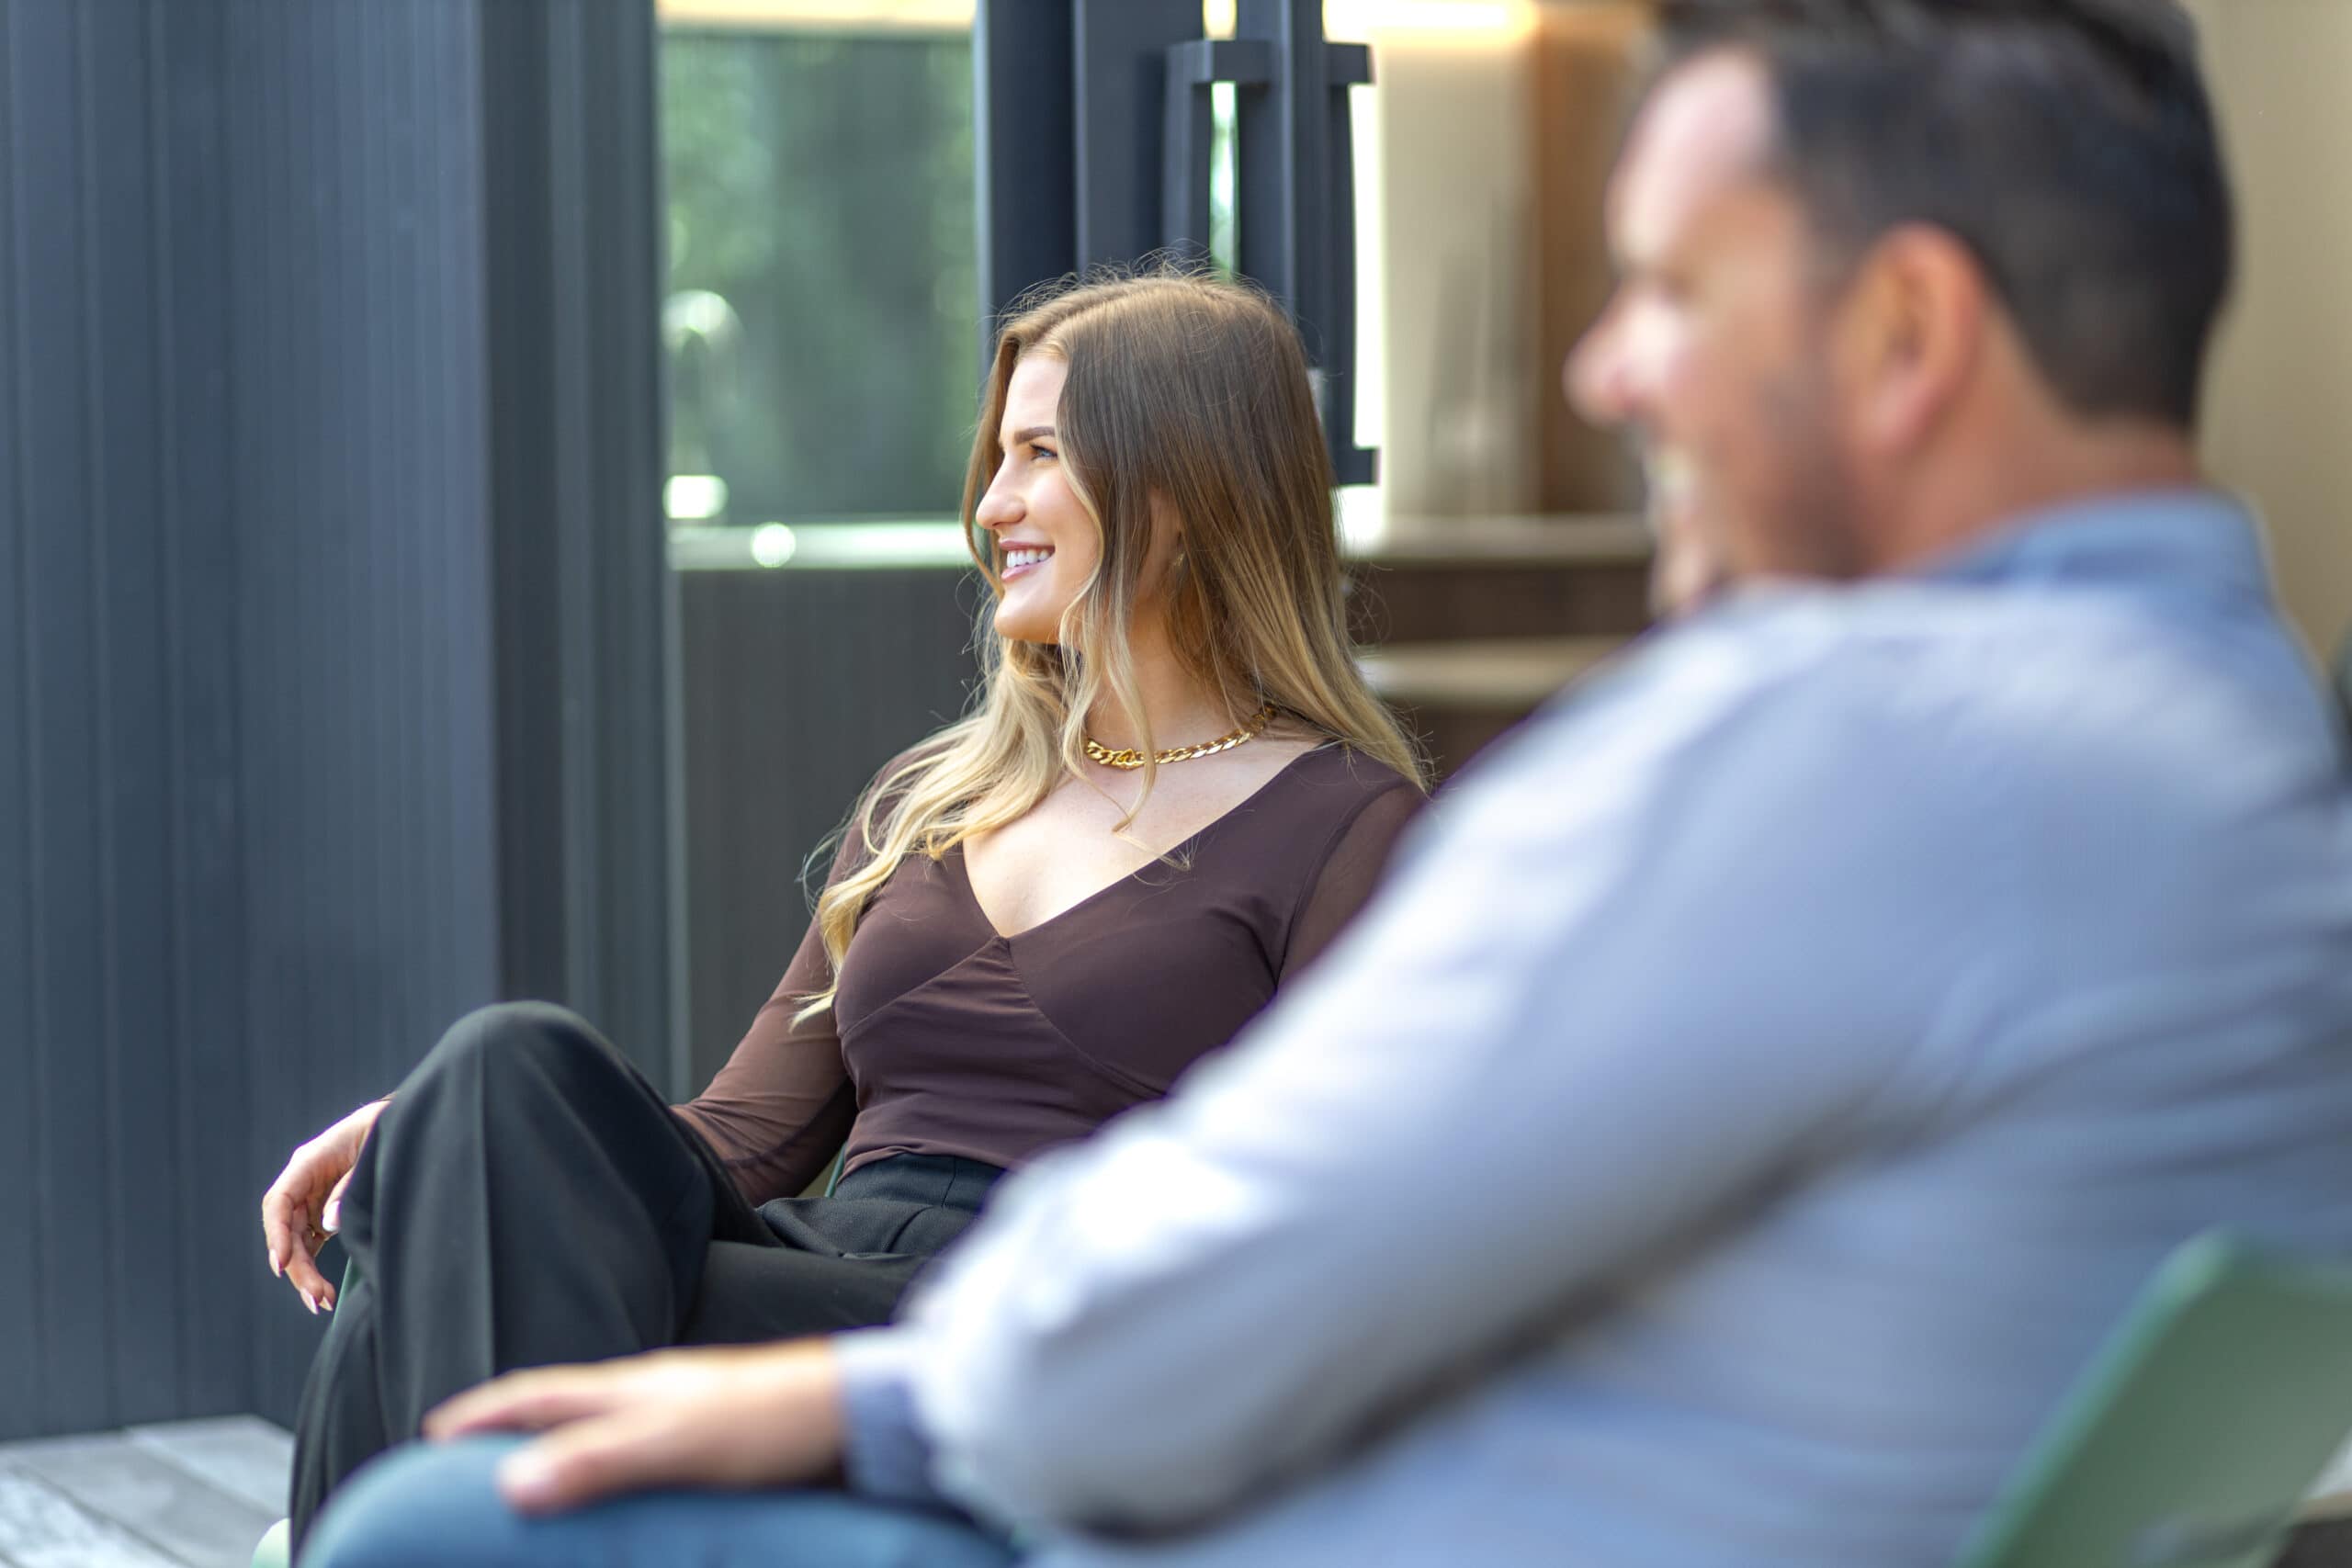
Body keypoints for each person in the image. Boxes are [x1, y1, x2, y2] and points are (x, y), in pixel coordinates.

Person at [305, 2, 2352, 1564]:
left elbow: (1279, 1270)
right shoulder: (2243, 773)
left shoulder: (1818, 750)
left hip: (1140, 1443)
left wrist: (880, 1393)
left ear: (1905, 328)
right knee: (483, 1136)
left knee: (439, 1517)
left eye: (1666, 291)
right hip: (1098, 1369)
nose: (1599, 377)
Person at [264, 269, 1428, 1546]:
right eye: (998, 457)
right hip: (808, 1258)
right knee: (496, 1066)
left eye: (1040, 454)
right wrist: (440, 1136)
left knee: (403, 1288)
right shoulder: (930, 797)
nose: (993, 505)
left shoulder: (1344, 823)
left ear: (1179, 487)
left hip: (1004, 1316)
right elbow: (737, 1137)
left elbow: (1331, 1209)